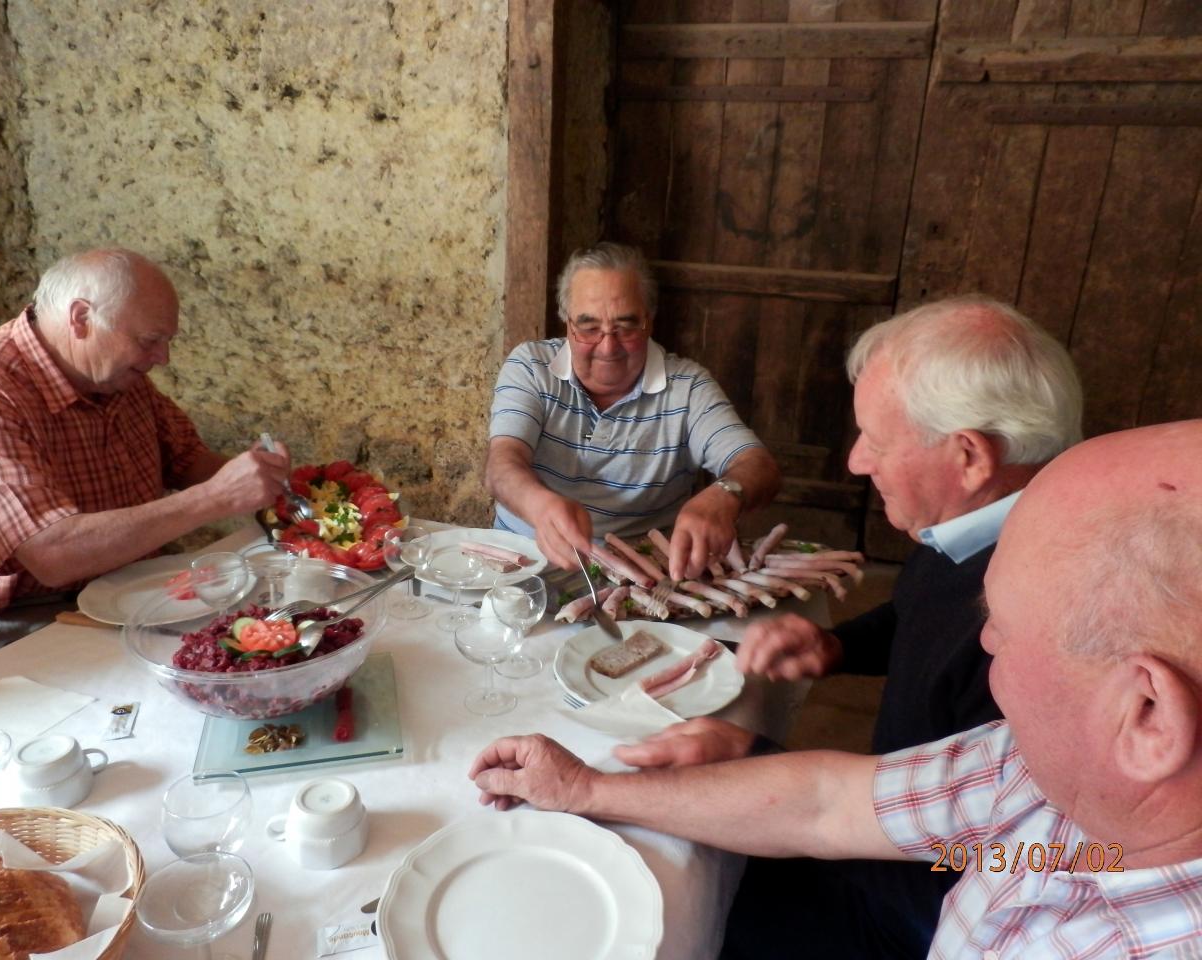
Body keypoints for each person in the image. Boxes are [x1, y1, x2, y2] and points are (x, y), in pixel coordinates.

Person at [471, 419, 1202, 959]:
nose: (982, 645)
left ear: (1147, 716)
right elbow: (834, 804)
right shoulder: (1049, 774)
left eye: (1004, 629)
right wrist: (584, 789)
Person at [616, 296, 1085, 957]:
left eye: (878, 441)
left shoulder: (1042, 627)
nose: (856, 461)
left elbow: (966, 846)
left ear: (970, 456)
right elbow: (916, 613)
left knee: (683, 907)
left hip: (908, 901)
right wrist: (838, 645)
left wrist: (755, 762)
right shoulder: (967, 523)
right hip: (882, 819)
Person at [0, 248, 291, 666]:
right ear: (81, 318)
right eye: (150, 341)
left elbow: (187, 460)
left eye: (167, 342)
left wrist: (272, 478)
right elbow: (52, 555)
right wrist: (216, 498)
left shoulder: (113, 372)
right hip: (17, 619)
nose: (162, 359)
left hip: (130, 589)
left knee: (261, 656)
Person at [484, 241, 780, 581]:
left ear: (649, 322)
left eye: (625, 327)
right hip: (522, 570)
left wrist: (725, 494)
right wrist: (538, 505)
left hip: (641, 586)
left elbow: (758, 465)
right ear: (567, 324)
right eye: (589, 327)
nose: (608, 347)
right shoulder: (531, 367)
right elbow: (501, 464)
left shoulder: (687, 386)